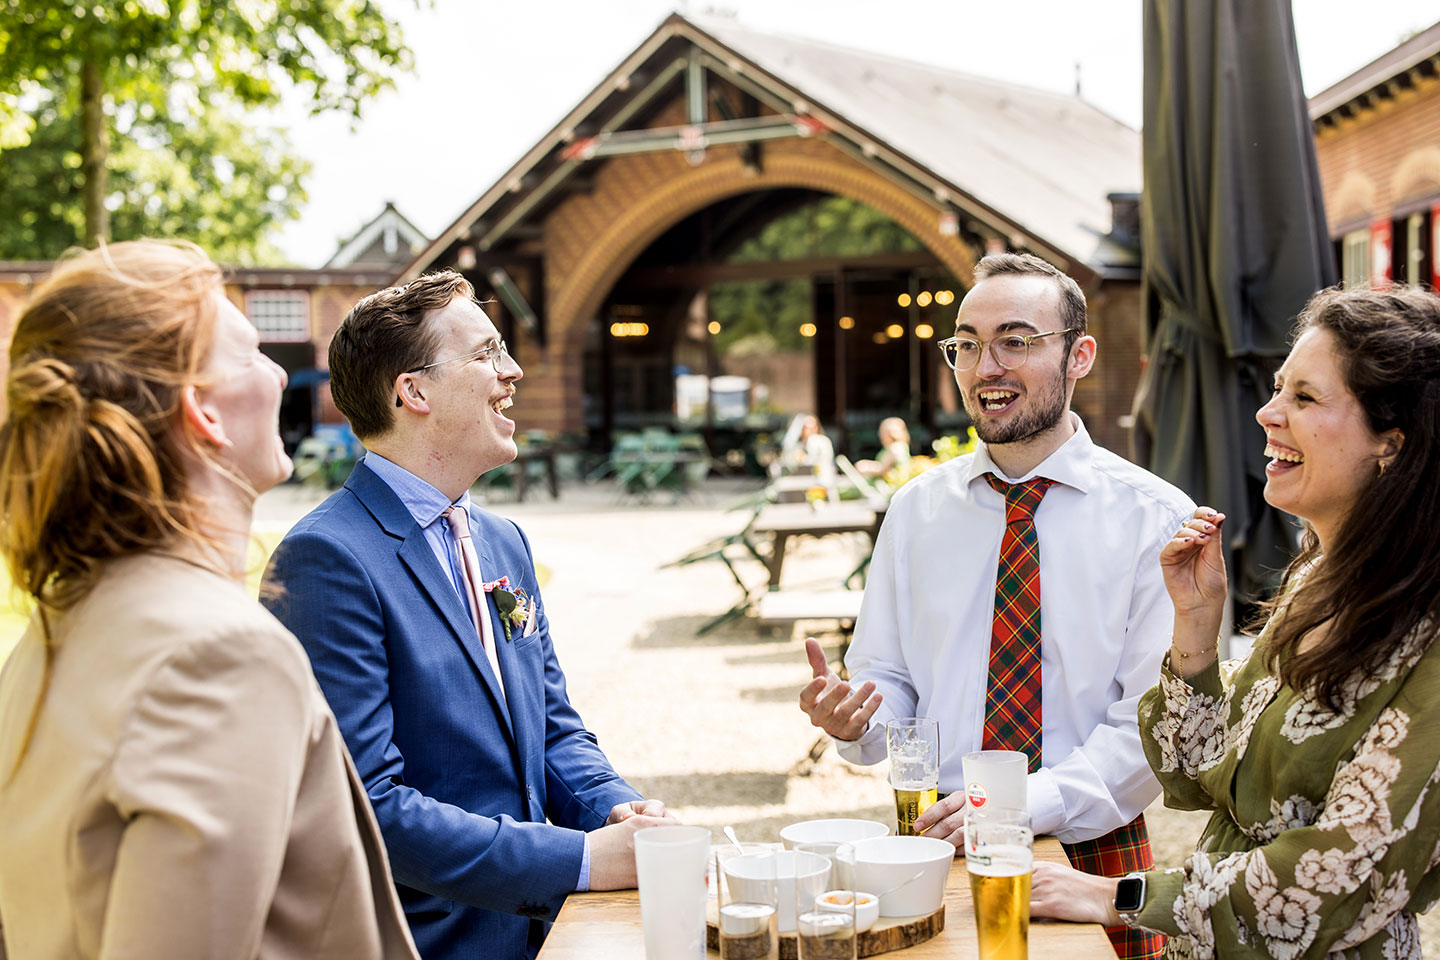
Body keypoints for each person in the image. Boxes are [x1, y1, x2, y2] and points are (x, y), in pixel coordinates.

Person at [0, 241, 417, 960]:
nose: (278, 373)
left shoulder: (54, 628)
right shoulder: (222, 656)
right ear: (204, 413)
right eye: (252, 352)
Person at [262, 271, 673, 960]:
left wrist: (614, 809)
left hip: (546, 936)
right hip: (430, 942)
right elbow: (370, 806)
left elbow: (551, 727)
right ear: (413, 391)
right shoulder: (325, 559)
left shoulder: (503, 540)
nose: (511, 371)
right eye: (486, 354)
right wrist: (582, 860)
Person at [798, 252, 1194, 959]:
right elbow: (888, 680)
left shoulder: (1156, 520)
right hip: (933, 844)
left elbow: (1151, 732)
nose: (986, 368)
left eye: (1015, 340)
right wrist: (856, 720)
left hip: (1085, 850)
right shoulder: (916, 509)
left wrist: (1018, 804)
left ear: (1081, 356)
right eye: (968, 344)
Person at [1031, 285, 1440, 958]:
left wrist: (1119, 896)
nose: (1267, 412)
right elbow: (1199, 775)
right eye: (1279, 389)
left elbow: (1329, 880)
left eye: (1305, 399)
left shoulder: (1428, 635)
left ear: (1389, 445)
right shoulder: (1316, 579)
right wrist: (1195, 630)